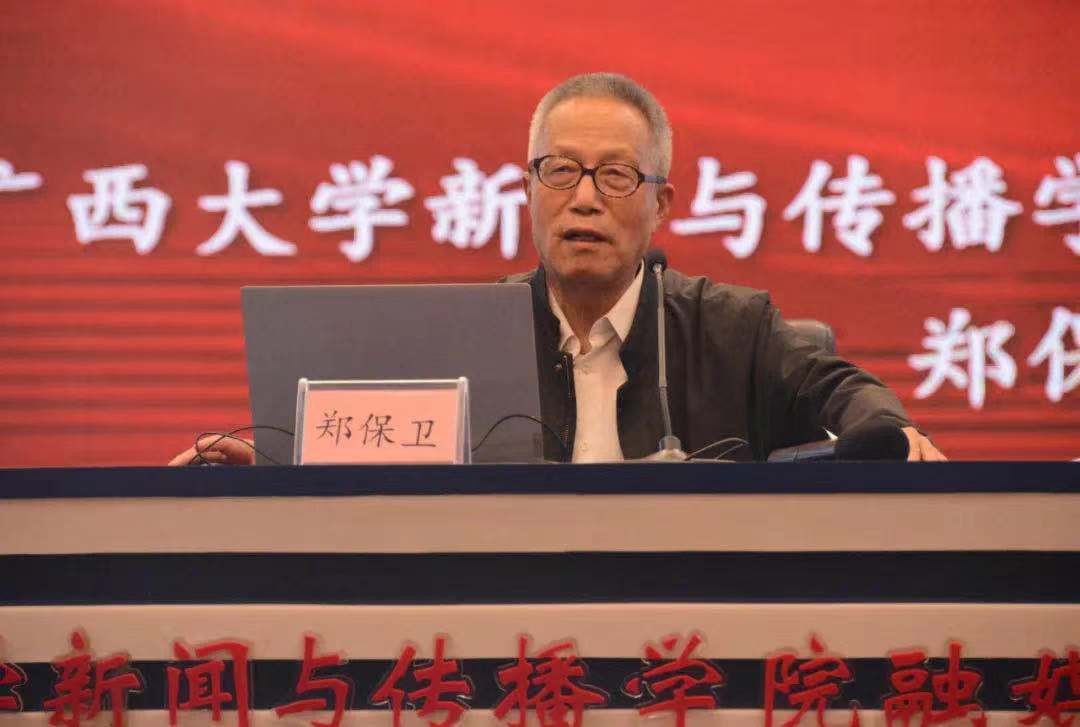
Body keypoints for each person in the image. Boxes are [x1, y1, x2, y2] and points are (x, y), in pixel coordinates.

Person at [171, 72, 944, 466]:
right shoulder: (472, 335)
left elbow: (847, 393)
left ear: (661, 202)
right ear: (528, 189)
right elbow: (373, 458)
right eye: (561, 170)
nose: (584, 198)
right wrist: (269, 469)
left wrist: (895, 433)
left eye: (615, 176)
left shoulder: (732, 327)